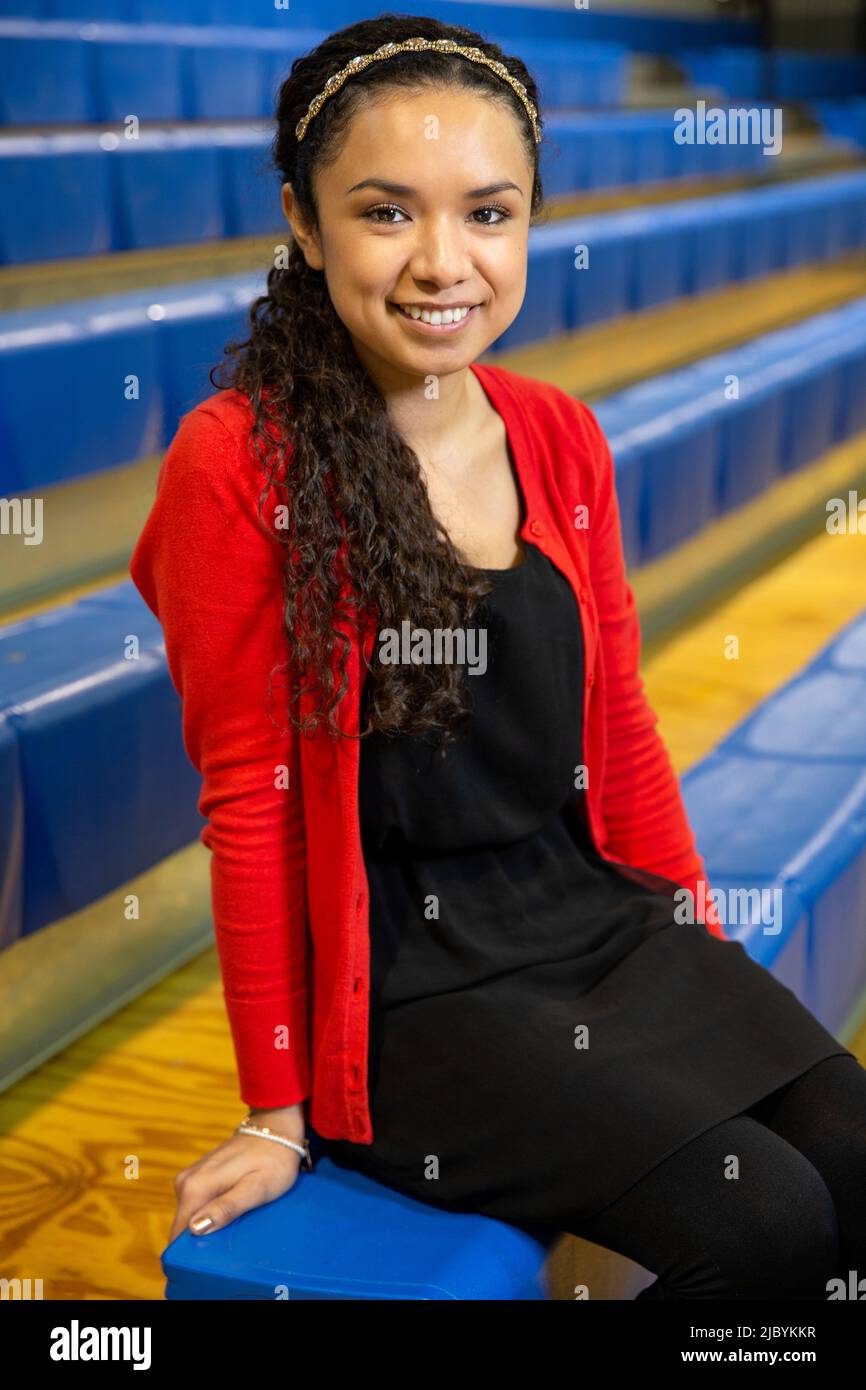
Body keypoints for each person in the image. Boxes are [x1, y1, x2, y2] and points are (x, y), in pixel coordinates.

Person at [130, 15, 866, 1299]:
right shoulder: (237, 462)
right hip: (409, 991)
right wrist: (274, 1104)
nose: (440, 262)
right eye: (383, 212)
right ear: (304, 226)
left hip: (590, 918)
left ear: (528, 221)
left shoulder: (558, 435)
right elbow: (253, 801)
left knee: (851, 1161)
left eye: (486, 212)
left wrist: (696, 946)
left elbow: (620, 727)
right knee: (764, 1227)